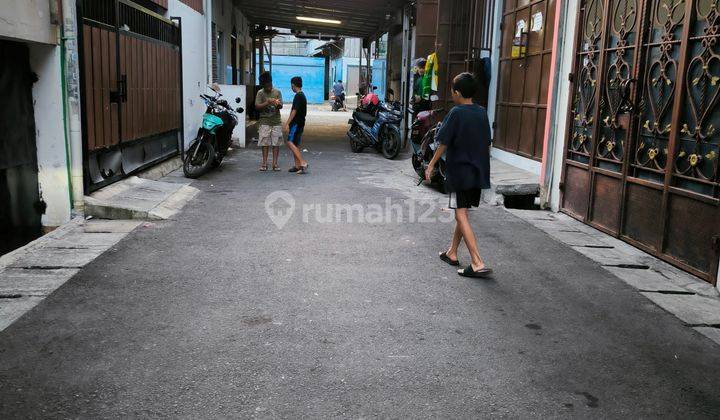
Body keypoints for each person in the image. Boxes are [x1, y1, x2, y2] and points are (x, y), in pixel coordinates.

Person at [425, 72, 492, 278]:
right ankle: (452, 253)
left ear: (458, 92)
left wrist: (430, 166)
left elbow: (443, 142)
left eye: (452, 90)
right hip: (477, 172)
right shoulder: (481, 112)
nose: (452, 94)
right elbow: (487, 142)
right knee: (462, 212)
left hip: (459, 173)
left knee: (460, 213)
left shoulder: (456, 112)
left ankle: (477, 262)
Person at [255, 72, 283, 171]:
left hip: (276, 121)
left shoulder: (277, 92)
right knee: (264, 143)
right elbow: (257, 106)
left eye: (270, 85)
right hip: (264, 121)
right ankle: (264, 163)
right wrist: (267, 102)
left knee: (276, 143)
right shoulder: (260, 93)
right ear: (263, 85)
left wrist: (277, 104)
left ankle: (275, 164)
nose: (269, 87)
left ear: (271, 82)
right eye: (266, 86)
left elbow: (281, 106)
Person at [284, 76, 308, 174]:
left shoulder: (298, 96)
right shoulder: (303, 95)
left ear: (293, 85)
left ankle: (302, 162)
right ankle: (298, 166)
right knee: (295, 144)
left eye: (291, 85)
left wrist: (287, 123)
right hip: (300, 123)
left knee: (290, 142)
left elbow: (294, 111)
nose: (291, 87)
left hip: (296, 123)